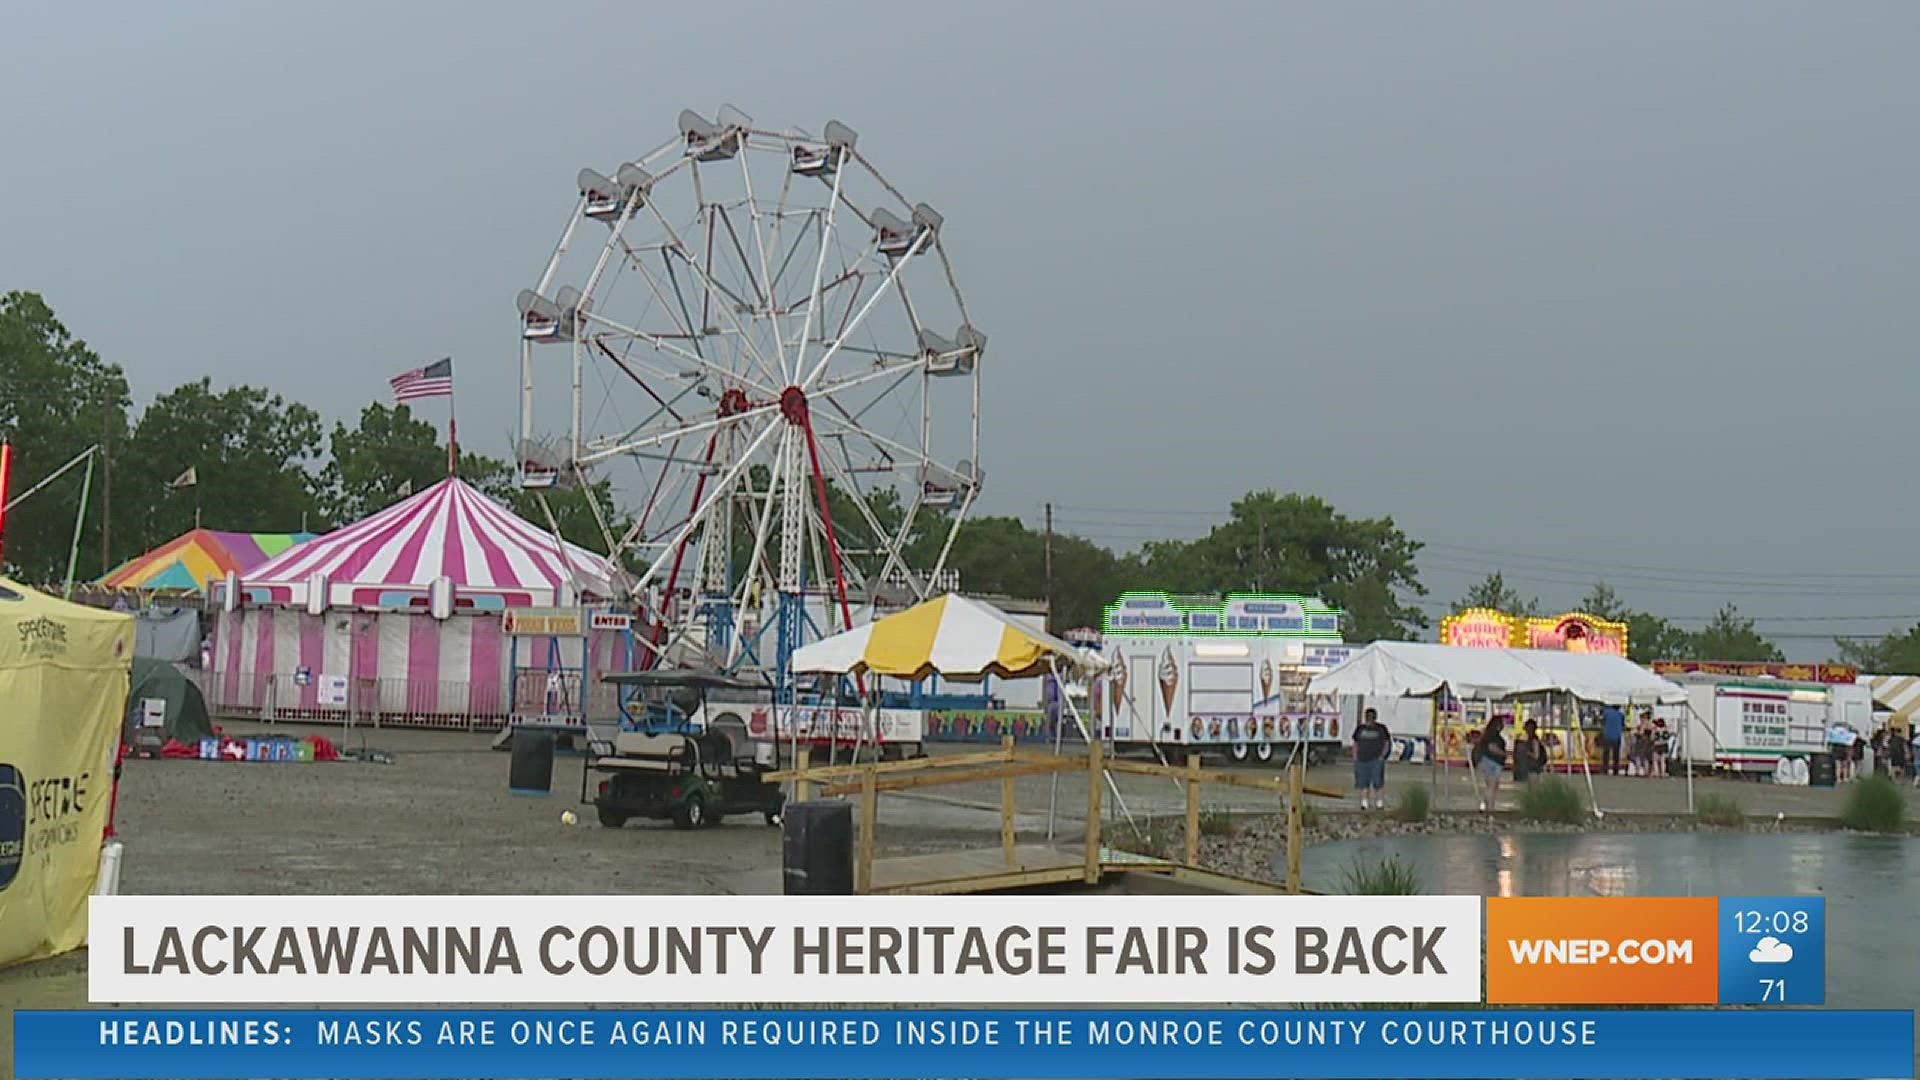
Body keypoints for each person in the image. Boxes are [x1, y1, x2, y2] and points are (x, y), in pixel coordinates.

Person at [1351, 707, 1391, 810]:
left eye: (1371, 717)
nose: (1370, 719)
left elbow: (1386, 743)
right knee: (1363, 782)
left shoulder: (1381, 728)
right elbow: (1355, 743)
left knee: (1378, 782)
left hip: (1376, 759)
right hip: (1361, 759)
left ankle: (1379, 803)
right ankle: (1364, 803)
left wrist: (1382, 756)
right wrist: (1355, 756)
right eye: (1368, 717)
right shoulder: (1360, 729)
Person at [1470, 717, 1509, 812]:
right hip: (1494, 762)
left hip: (1486, 761)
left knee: (1490, 786)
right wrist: (1504, 754)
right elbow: (1492, 747)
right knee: (1492, 786)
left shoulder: (1486, 735)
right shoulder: (1494, 736)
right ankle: (1490, 808)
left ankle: (1486, 805)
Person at [1599, 704, 1625, 776]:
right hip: (1617, 736)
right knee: (1616, 755)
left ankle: (1605, 769)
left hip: (1607, 735)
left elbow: (1602, 722)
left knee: (1606, 754)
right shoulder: (1621, 715)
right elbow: (1623, 725)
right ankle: (1615, 770)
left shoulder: (1606, 713)